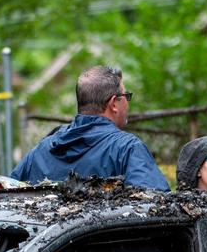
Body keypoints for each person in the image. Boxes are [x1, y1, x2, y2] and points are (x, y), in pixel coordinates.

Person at [12, 65, 169, 190]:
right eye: (126, 96)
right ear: (114, 103)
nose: (127, 102)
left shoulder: (41, 150)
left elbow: (5, 193)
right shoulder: (127, 149)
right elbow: (158, 210)